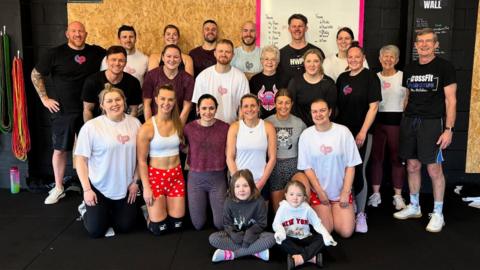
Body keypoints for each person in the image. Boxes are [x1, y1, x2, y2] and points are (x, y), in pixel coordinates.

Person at [31, 21, 105, 204]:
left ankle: (93, 186)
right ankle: (58, 187)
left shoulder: (96, 52)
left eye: (81, 31)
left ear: (86, 34)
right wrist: (44, 99)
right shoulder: (54, 53)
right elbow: (35, 74)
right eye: (74, 31)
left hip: (89, 110)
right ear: (67, 33)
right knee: (60, 150)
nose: (78, 34)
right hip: (63, 111)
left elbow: (113, 62)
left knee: (94, 150)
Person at [394, 28, 457, 233]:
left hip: (432, 123)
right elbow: (407, 96)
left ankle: (438, 213)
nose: (424, 44)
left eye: (428, 41)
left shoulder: (444, 67)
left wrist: (448, 129)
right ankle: (414, 206)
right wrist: (405, 118)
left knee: (433, 169)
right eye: (420, 41)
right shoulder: (410, 68)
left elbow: (451, 100)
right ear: (415, 45)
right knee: (412, 165)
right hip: (410, 121)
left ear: (436, 44)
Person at [75, 84, 141, 238]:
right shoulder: (91, 127)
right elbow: (80, 160)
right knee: (96, 230)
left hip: (126, 187)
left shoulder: (135, 123)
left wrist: (135, 182)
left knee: (125, 227)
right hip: (98, 187)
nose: (114, 104)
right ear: (102, 105)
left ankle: (109, 211)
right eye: (109, 101)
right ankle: (85, 209)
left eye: (118, 100)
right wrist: (87, 190)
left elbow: (140, 157)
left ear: (124, 102)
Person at [298, 99, 361, 238]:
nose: (318, 114)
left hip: (340, 192)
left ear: (330, 111)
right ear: (311, 114)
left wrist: (345, 191)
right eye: (315, 111)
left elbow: (351, 165)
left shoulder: (343, 132)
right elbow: (307, 168)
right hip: (320, 194)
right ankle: (328, 211)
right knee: (325, 231)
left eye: (322, 110)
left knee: (346, 232)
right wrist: (319, 191)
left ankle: (351, 207)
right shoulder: (306, 135)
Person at [336, 44, 381, 233]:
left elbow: (374, 107)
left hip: (361, 134)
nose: (353, 59)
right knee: (344, 170)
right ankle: (350, 205)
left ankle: (361, 213)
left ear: (363, 58)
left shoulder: (371, 77)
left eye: (357, 57)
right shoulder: (342, 78)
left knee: (359, 169)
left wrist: (362, 132)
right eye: (350, 57)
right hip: (342, 134)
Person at [137, 84, 185, 235]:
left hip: (176, 176)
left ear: (174, 101)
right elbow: (142, 161)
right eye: (163, 98)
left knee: (177, 225)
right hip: (156, 178)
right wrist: (146, 188)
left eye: (170, 99)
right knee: (160, 229)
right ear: (156, 100)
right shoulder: (147, 128)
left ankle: (158, 210)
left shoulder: (178, 123)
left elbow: (183, 147)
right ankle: (148, 213)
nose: (166, 103)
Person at [368, 45, 407, 210]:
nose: (388, 60)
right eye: (385, 56)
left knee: (397, 159)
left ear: (397, 60)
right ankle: (376, 194)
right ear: (379, 59)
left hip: (397, 122)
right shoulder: (373, 77)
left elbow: (408, 100)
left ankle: (398, 196)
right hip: (378, 122)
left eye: (392, 57)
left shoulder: (403, 77)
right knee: (376, 158)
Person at [208, 169, 276, 262]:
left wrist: (250, 233)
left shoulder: (259, 201)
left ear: (251, 186)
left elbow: (262, 223)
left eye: (245, 185)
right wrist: (233, 234)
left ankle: (233, 254)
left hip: (254, 236)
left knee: (272, 238)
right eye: (237, 186)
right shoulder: (229, 201)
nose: (241, 190)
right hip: (235, 237)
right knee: (213, 238)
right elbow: (227, 224)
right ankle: (255, 251)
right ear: (232, 188)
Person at [184, 94, 229, 230]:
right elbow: (182, 146)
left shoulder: (225, 128)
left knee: (220, 224)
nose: (207, 112)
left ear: (216, 109)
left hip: (217, 178)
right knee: (198, 224)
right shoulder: (188, 128)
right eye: (204, 108)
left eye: (211, 108)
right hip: (195, 179)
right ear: (197, 109)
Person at [272, 180, 337, 269]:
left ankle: (300, 258)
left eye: (299, 195)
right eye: (291, 194)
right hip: (290, 238)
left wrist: (326, 235)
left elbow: (317, 224)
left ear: (304, 197)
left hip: (305, 238)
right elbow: (276, 224)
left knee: (322, 238)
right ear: (286, 195)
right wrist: (280, 233)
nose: (295, 198)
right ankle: (311, 257)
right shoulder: (283, 208)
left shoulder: (306, 208)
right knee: (278, 240)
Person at [226, 94, 277, 199]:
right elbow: (230, 157)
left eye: (253, 106)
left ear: (258, 107)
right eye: (246, 106)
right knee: (239, 215)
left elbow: (272, 158)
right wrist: (238, 183)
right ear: (241, 109)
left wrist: (260, 184)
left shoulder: (268, 127)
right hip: (238, 184)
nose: (249, 109)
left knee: (261, 214)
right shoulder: (234, 127)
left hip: (261, 181)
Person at [266, 89, 306, 211]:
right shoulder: (267, 122)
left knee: (301, 198)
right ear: (275, 104)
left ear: (292, 104)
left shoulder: (299, 123)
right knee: (279, 210)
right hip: (274, 167)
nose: (283, 106)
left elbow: (306, 148)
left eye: (287, 103)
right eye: (280, 102)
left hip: (294, 165)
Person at [192, 39, 250, 124]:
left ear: (233, 55)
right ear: (215, 53)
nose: (223, 54)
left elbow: (244, 106)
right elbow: (198, 105)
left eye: (227, 52)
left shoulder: (240, 77)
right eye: (220, 51)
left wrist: (238, 127)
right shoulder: (202, 76)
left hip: (231, 127)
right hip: (208, 128)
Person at [83, 45, 142, 122]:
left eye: (121, 60)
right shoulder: (92, 81)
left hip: (122, 124)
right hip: (98, 125)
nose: (117, 63)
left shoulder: (133, 82)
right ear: (106, 61)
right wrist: (91, 131)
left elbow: (133, 111)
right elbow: (87, 110)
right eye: (113, 60)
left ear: (125, 63)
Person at [142, 44, 194, 123]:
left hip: (177, 122)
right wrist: (150, 127)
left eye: (176, 57)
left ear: (180, 59)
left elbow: (187, 107)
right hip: (155, 122)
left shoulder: (188, 79)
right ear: (163, 58)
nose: (172, 60)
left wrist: (178, 129)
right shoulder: (151, 75)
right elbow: (147, 104)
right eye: (168, 56)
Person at [288, 48, 337, 127]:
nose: (312, 65)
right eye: (308, 61)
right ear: (304, 63)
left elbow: (332, 111)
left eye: (316, 61)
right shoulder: (295, 82)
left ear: (321, 63)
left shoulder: (329, 83)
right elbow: (291, 108)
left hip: (322, 127)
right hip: (300, 127)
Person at [278, 14, 325, 87]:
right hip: (288, 96)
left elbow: (322, 75)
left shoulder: (316, 51)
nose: (297, 29)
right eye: (294, 26)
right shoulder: (281, 53)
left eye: (300, 26)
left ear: (306, 28)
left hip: (312, 95)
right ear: (289, 29)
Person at [249, 45, 283, 119]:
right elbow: (251, 103)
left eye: (273, 59)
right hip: (259, 121)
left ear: (277, 62)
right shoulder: (254, 80)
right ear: (261, 61)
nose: (269, 62)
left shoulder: (285, 79)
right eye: (266, 59)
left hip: (279, 120)